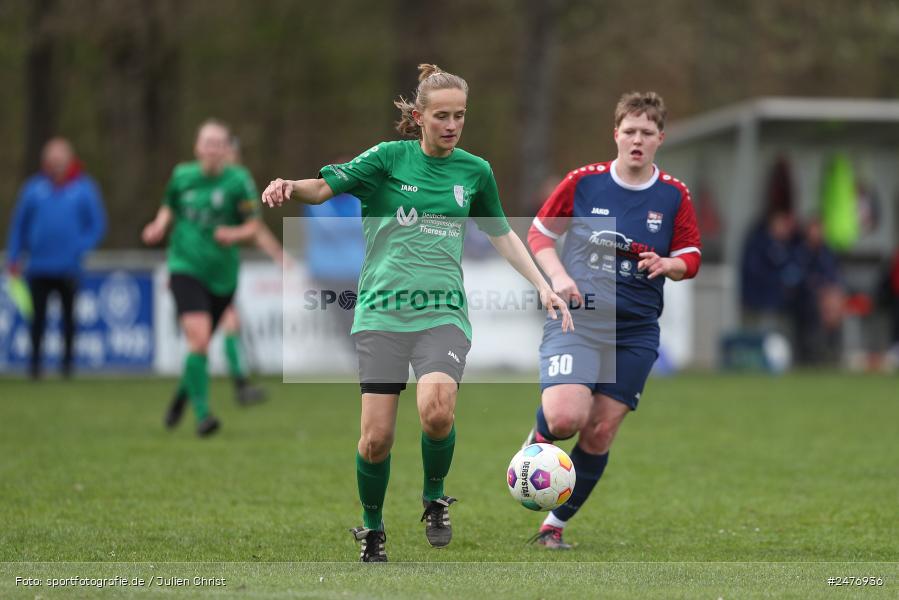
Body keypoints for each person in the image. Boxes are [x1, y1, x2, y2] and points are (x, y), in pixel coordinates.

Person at [262, 64, 572, 562]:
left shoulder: (475, 171)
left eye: (460, 116)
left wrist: (542, 284)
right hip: (381, 314)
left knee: (437, 410)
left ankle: (434, 496)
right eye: (442, 116)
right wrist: (287, 186)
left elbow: (501, 234)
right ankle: (372, 526)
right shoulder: (387, 159)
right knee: (376, 440)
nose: (452, 125)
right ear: (418, 117)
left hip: (442, 313)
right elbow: (321, 188)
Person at [523, 92, 702, 549]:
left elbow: (691, 256)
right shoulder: (584, 182)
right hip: (579, 321)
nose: (637, 140)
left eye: (647, 133)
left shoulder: (673, 194)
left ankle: (553, 527)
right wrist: (559, 277)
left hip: (635, 331)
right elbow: (539, 234)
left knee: (600, 431)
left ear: (660, 138)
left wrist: (669, 264)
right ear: (615, 134)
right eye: (630, 131)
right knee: (566, 418)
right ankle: (539, 437)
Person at [142, 119, 261, 437]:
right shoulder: (182, 176)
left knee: (201, 344)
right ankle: (203, 416)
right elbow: (168, 206)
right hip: (185, 266)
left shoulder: (239, 181)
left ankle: (180, 399)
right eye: (207, 143)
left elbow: (253, 226)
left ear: (227, 150)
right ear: (197, 147)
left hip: (222, 275)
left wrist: (233, 233)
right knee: (199, 339)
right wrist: (159, 225)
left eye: (219, 144)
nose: (212, 149)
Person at [5, 137, 106, 378]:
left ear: (69, 160)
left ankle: (67, 367)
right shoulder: (33, 189)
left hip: (69, 267)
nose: (56, 165)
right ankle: (35, 367)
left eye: (60, 159)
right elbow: (19, 226)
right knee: (36, 318)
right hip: (37, 266)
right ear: (46, 161)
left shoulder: (84, 188)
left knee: (68, 319)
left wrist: (79, 248)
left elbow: (97, 225)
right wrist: (14, 256)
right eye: (52, 160)